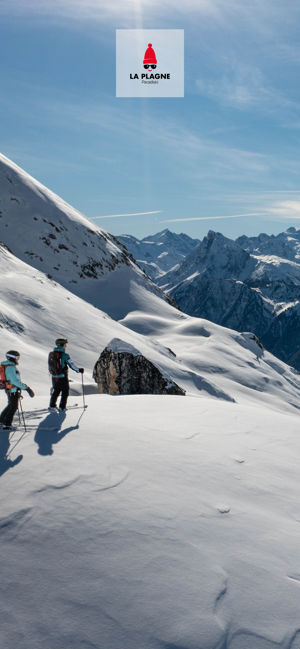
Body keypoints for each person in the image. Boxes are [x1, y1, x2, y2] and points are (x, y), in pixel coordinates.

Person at [0, 350, 34, 430]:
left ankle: (2, 420)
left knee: (10, 405)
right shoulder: (10, 367)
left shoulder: (8, 365)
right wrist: (26, 388)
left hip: (11, 389)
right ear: (12, 358)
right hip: (12, 390)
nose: (18, 359)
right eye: (17, 357)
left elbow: (13, 380)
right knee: (13, 407)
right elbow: (14, 381)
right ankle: (7, 425)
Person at [48, 338, 84, 412]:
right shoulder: (65, 355)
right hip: (62, 377)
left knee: (56, 391)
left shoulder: (51, 354)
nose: (66, 346)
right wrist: (78, 370)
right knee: (65, 391)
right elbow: (71, 365)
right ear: (62, 345)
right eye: (65, 345)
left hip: (54, 377)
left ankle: (52, 406)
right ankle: (62, 407)